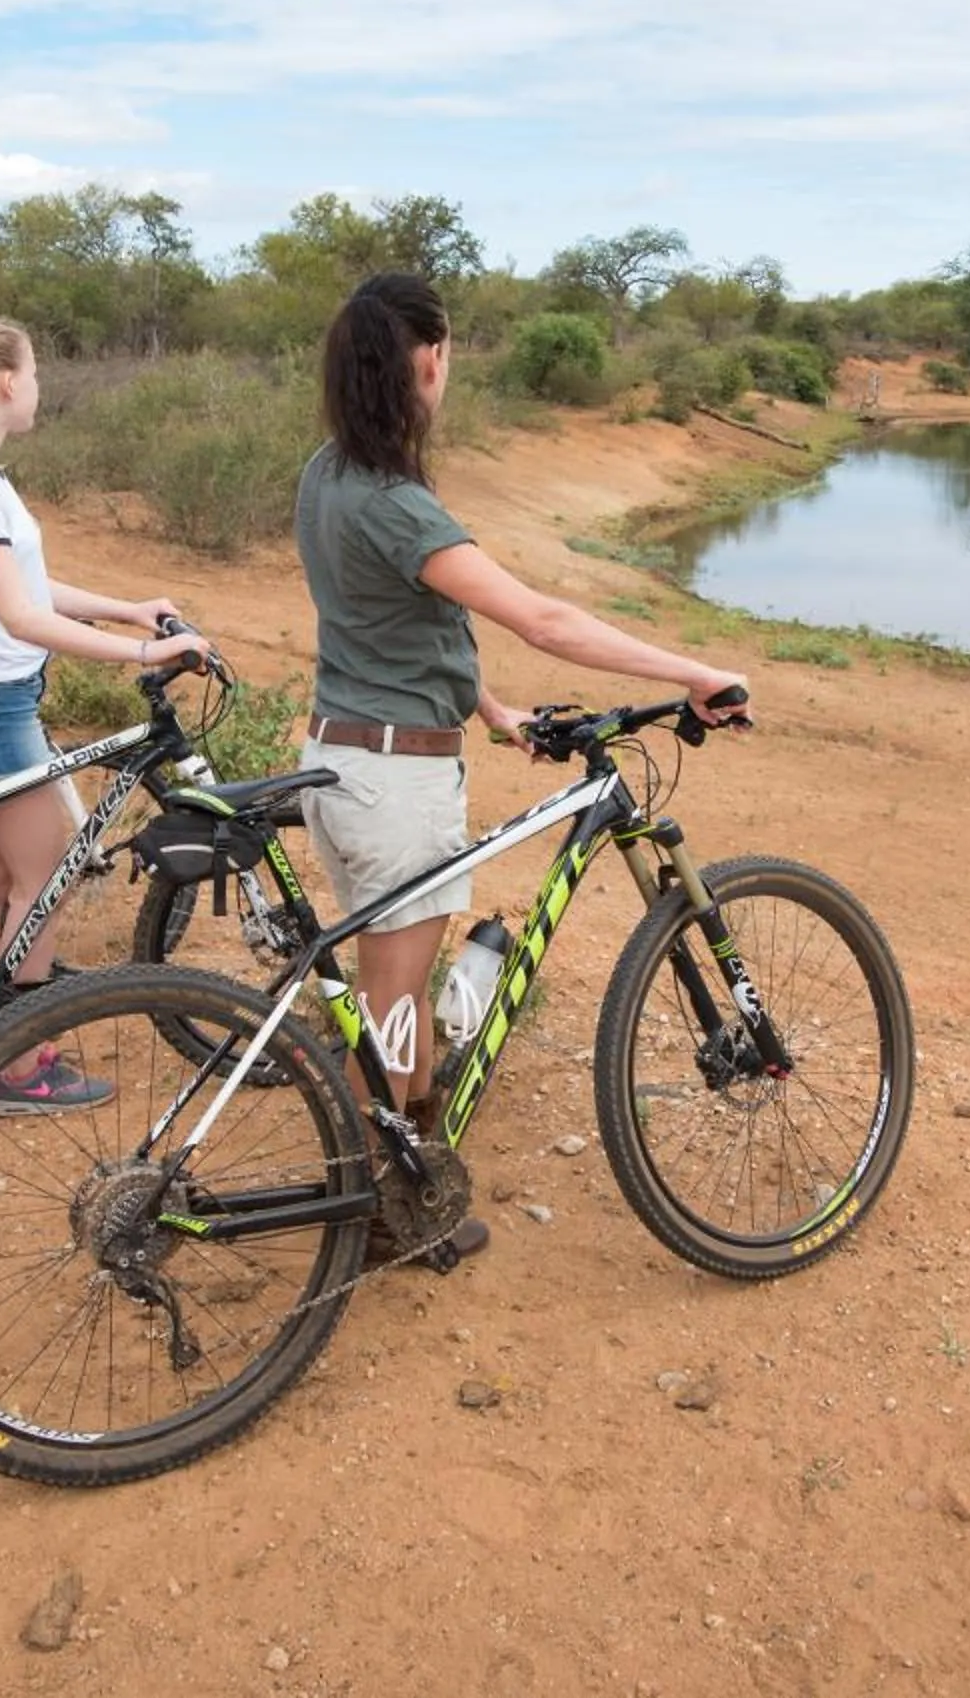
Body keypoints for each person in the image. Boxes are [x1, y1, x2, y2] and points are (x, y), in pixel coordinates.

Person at [295, 273, 748, 1255]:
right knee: (394, 998)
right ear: (424, 359)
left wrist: (492, 707)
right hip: (395, 782)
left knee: (395, 991)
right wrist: (694, 669)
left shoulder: (325, 474)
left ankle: (403, 1153)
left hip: (340, 758)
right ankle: (392, 1198)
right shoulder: (396, 503)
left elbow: (390, 627)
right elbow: (543, 618)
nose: (446, 370)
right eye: (445, 353)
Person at [0, 306, 213, 1113]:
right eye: (35, 371)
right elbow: (20, 616)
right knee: (52, 874)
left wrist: (125, 608)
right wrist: (147, 654)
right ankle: (15, 1066)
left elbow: (26, 587)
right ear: (7, 382)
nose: (39, 386)